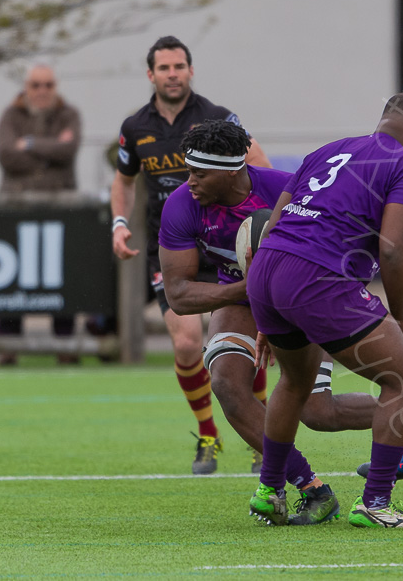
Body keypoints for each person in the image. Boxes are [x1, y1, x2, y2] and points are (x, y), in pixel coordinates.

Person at [246, 92, 403, 529]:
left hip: (267, 269)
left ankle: (270, 491)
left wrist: (264, 310)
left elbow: (271, 226)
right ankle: (376, 503)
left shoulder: (326, 150)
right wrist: (402, 313)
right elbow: (392, 246)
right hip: (317, 276)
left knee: (294, 381)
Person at [160, 119, 390, 523]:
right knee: (227, 383)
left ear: (233, 171)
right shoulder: (182, 205)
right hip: (238, 293)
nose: (189, 181)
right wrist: (251, 289)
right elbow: (179, 295)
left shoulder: (287, 188)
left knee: (317, 413)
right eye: (189, 170)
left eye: (200, 173)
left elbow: (349, 241)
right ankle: (312, 489)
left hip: (300, 291)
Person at [111, 36, 272, 475]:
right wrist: (119, 223)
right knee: (185, 345)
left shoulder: (217, 119)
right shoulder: (134, 127)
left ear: (190, 70)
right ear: (151, 75)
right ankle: (208, 433)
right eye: (164, 67)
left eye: (179, 66)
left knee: (242, 344)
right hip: (173, 248)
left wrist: (262, 229)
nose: (173, 73)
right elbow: (123, 181)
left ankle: (259, 433)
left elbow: (257, 166)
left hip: (223, 247)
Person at [0, 64, 82, 366]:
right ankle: (8, 346)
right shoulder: (10, 116)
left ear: (55, 86)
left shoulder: (69, 115)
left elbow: (68, 151)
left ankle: (66, 346)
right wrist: (49, 157)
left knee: (63, 278)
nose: (42, 91)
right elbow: (6, 155)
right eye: (36, 85)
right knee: (11, 277)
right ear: (26, 87)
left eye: (48, 85)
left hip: (61, 213)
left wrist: (30, 145)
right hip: (16, 212)